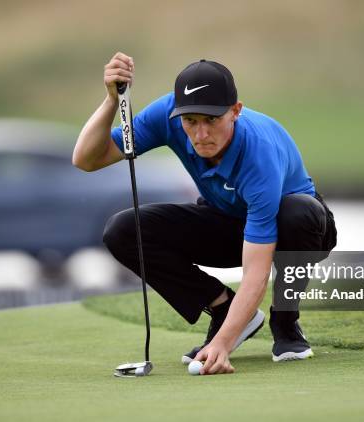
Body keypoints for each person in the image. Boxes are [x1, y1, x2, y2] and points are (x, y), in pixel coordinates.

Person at [73, 52, 337, 375]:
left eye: (211, 120)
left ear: (235, 111)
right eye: (191, 122)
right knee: (123, 231)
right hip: (226, 219)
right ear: (178, 115)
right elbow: (86, 159)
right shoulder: (168, 115)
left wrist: (223, 345)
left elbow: (257, 270)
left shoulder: (259, 154)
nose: (200, 134)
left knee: (296, 214)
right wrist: (111, 101)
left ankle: (286, 322)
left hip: (299, 231)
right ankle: (221, 307)